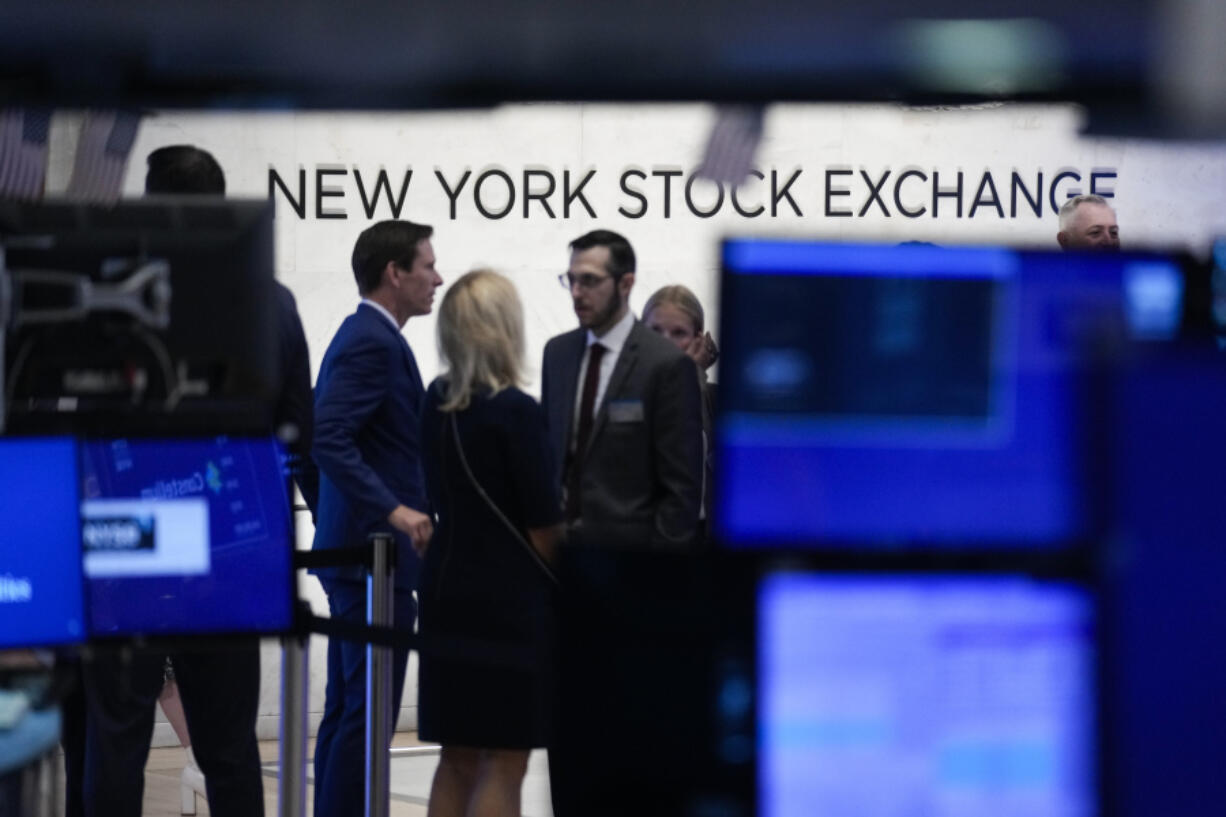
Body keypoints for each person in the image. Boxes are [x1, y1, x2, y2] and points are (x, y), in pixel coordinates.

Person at [73, 144, 316, 817]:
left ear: (154, 202)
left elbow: (81, 427)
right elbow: (298, 426)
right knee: (230, 749)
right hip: (231, 551)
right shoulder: (270, 299)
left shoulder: (109, 297)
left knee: (116, 743)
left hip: (131, 546)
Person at [417, 269, 564, 817]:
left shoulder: (435, 402)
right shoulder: (517, 413)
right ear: (503, 328)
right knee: (506, 760)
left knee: (456, 757)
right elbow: (541, 524)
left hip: (445, 591)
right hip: (508, 604)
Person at [310, 219, 440, 817]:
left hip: (358, 554)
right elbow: (328, 437)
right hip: (373, 562)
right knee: (365, 716)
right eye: (427, 266)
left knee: (350, 712)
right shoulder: (372, 341)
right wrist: (393, 510)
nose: (437, 278)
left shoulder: (366, 335)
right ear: (396, 273)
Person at [540, 229, 703, 550]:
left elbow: (682, 489)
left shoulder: (665, 363)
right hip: (559, 560)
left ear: (625, 284)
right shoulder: (557, 354)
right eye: (570, 279)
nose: (576, 292)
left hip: (631, 564)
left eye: (589, 281)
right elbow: (552, 456)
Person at [642, 284, 718, 532]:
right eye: (655, 330)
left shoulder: (714, 399)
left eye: (678, 333)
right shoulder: (624, 395)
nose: (665, 342)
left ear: (699, 339)